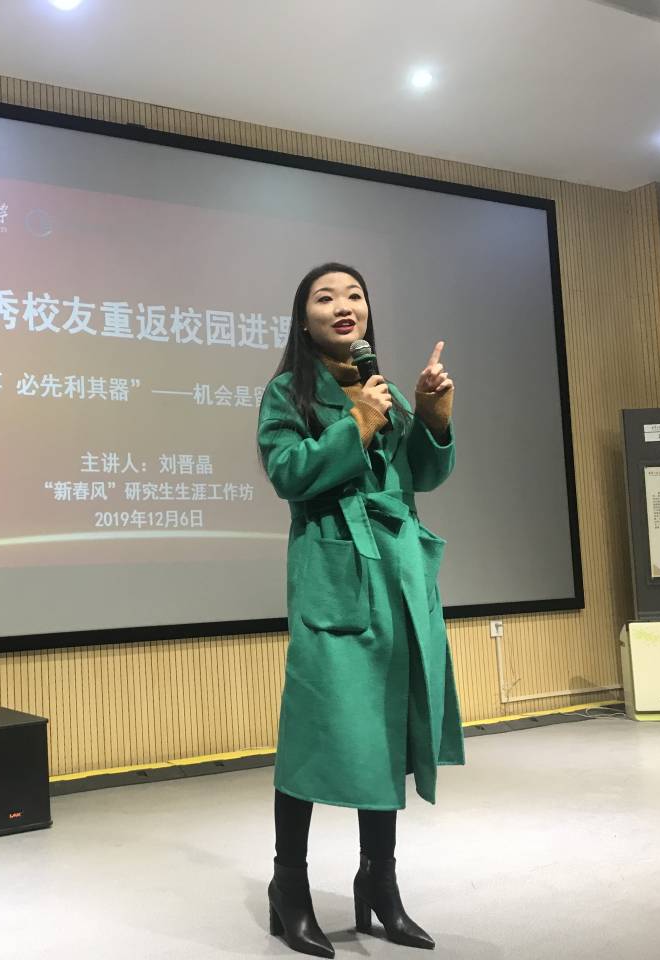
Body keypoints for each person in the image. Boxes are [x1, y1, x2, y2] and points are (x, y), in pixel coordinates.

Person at [256, 263, 464, 956]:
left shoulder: (386, 389)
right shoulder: (288, 392)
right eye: (326, 298)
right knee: (313, 732)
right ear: (304, 318)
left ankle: (380, 882)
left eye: (354, 295)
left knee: (387, 727)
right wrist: (360, 423)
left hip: (399, 576)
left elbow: (423, 475)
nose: (343, 306)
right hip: (334, 574)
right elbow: (288, 473)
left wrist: (429, 413)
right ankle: (290, 886)